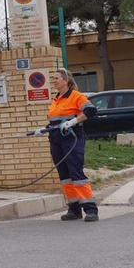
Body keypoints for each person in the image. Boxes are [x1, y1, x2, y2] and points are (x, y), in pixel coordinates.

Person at [45, 68, 98, 222]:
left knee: (76, 173)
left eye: (56, 78)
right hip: (56, 140)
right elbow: (55, 120)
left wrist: (73, 122)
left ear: (66, 80)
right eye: (53, 78)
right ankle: (74, 209)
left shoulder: (75, 96)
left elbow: (91, 110)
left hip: (72, 139)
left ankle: (90, 209)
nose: (54, 81)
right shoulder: (56, 99)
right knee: (65, 176)